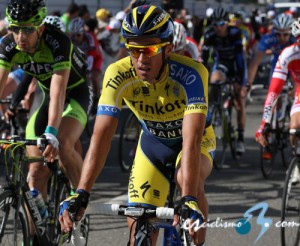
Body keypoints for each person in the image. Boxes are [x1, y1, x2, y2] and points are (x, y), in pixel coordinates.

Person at [59, 4, 215, 246]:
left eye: (150, 49)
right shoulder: (117, 74)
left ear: (168, 48)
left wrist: (189, 198)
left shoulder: (192, 74)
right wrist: (81, 192)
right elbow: (101, 138)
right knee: (139, 227)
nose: (141, 59)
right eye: (134, 49)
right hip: (153, 144)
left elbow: (192, 139)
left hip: (194, 142)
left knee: (186, 178)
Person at [1, 0, 91, 236]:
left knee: (62, 142)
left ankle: (79, 196)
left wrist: (51, 131)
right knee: (35, 173)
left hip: (75, 95)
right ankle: (36, 235)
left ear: (40, 28)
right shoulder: (9, 45)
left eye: (28, 29)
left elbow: (59, 92)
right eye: (15, 28)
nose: (21, 36)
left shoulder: (58, 42)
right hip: (49, 96)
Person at [201, 7, 248, 155]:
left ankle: (240, 138)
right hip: (222, 64)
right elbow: (204, 59)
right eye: (215, 24)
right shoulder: (210, 35)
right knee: (214, 81)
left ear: (227, 23)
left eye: (221, 24)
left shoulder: (235, 33)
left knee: (240, 99)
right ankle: (217, 107)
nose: (218, 27)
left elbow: (240, 59)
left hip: (236, 64)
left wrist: (240, 82)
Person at [256, 17, 300, 163]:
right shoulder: (288, 54)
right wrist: (264, 124)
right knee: (294, 127)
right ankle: (296, 161)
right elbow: (273, 92)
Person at [247, 13, 295, 89]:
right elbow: (255, 63)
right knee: (274, 89)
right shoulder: (268, 38)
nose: (282, 38)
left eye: (285, 34)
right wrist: (248, 83)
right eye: (278, 34)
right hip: (278, 62)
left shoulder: (296, 38)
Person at [68, 17, 103, 105]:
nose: (76, 37)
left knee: (93, 77)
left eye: (78, 35)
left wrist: (87, 71)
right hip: (80, 59)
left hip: (95, 58)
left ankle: (96, 98)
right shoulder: (70, 39)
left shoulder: (90, 37)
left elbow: (92, 56)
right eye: (73, 35)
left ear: (83, 32)